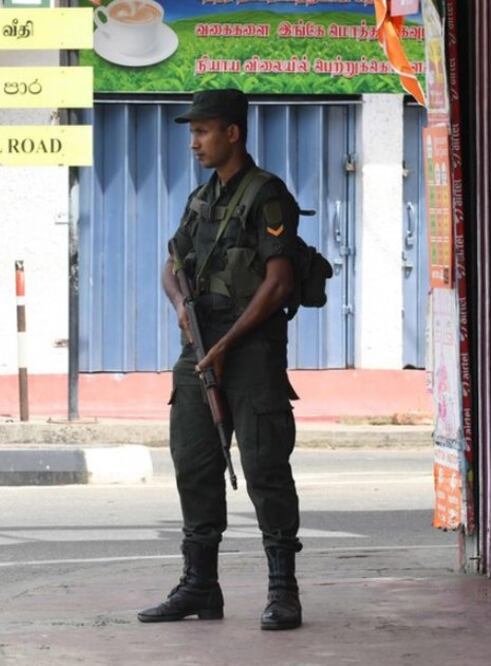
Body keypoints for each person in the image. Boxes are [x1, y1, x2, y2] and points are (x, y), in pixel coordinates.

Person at [137, 88, 303, 631]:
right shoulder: (199, 199)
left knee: (264, 470)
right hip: (199, 349)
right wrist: (183, 306)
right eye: (192, 132)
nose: (194, 142)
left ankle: (283, 591)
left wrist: (228, 344)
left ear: (233, 132)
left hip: (250, 351)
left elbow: (278, 284)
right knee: (195, 465)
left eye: (203, 131)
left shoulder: (267, 195)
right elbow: (171, 264)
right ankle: (200, 586)